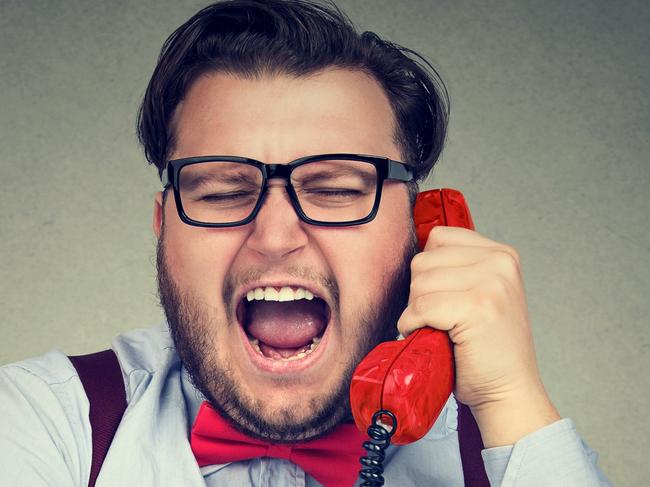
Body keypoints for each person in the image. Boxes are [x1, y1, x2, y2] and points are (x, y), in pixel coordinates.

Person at [0, 1, 611, 485]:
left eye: (336, 189)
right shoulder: (40, 419)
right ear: (165, 227)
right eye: (220, 191)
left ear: (423, 231)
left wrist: (512, 402)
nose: (273, 235)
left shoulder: (505, 456)